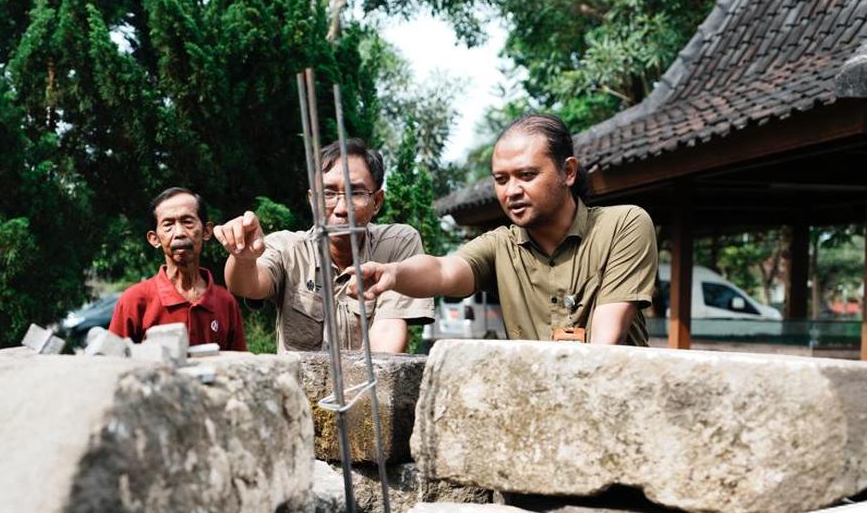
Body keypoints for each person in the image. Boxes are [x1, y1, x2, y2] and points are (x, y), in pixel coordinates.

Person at [350, 113, 657, 345]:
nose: (511, 191)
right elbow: (444, 270)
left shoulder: (623, 225)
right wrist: (394, 274)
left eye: (526, 175)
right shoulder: (501, 246)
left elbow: (606, 339)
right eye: (501, 179)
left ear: (568, 171)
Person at [214, 139, 433, 353]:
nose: (341, 208)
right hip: (300, 389)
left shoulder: (397, 244)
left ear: (377, 202)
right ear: (312, 200)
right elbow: (246, 285)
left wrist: (359, 389)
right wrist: (243, 257)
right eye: (328, 193)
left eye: (355, 193)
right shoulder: (288, 248)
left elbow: (387, 336)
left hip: (369, 386)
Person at [109, 188, 246, 350]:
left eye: (188, 221)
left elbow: (238, 363)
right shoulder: (135, 300)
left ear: (207, 231)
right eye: (168, 225)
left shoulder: (225, 302)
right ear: (154, 238)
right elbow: (113, 364)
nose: (179, 233)